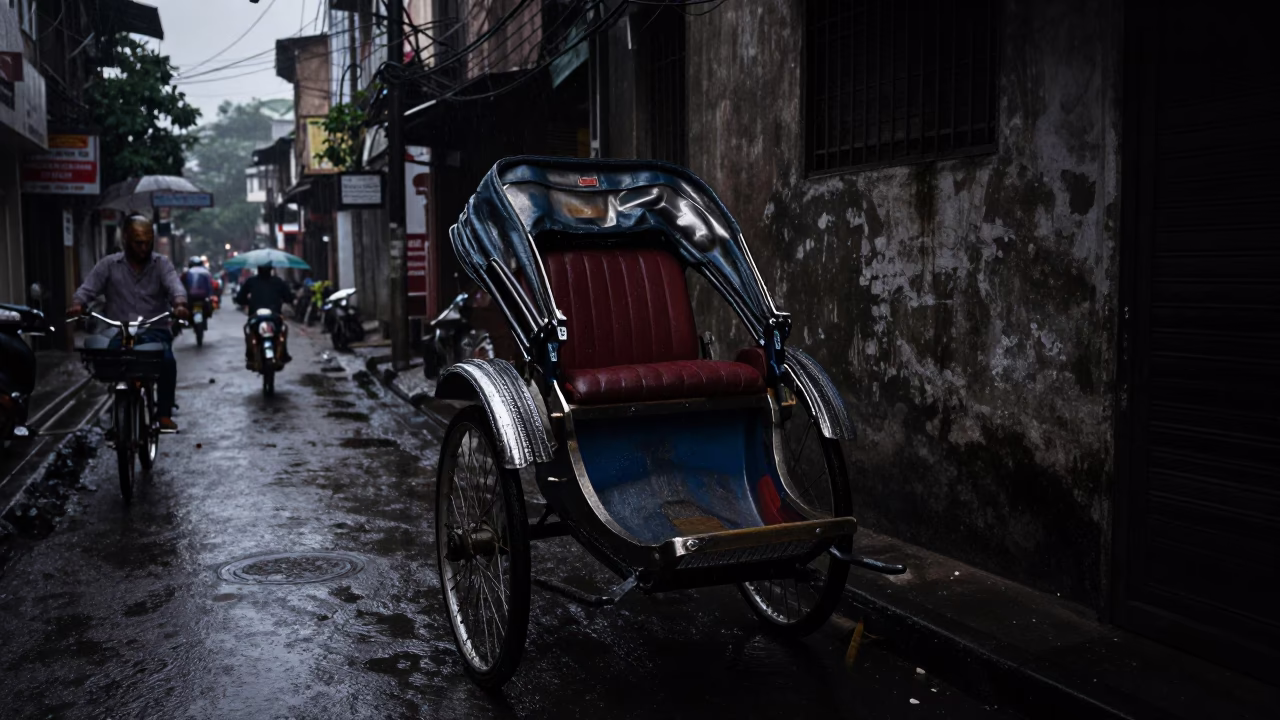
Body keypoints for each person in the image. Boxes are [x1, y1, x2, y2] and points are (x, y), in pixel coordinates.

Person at [68, 215, 190, 432]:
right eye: (138, 242)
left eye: (147, 242)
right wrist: (78, 304)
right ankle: (117, 413)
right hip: (118, 331)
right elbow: (88, 289)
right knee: (108, 359)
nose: (143, 248)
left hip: (155, 330)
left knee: (167, 361)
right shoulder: (108, 265)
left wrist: (179, 303)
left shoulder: (161, 264)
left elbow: (175, 287)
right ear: (126, 239)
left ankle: (163, 414)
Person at [234, 262, 294, 366]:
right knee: (283, 330)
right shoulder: (278, 281)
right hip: (275, 316)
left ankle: (250, 356)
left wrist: (248, 302)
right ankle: (283, 353)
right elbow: (288, 297)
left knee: (249, 331)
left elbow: (240, 298)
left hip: (255, 317)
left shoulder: (251, 281)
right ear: (271, 268)